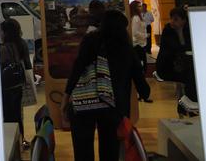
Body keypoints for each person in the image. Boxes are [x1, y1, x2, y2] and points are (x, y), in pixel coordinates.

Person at [61, 10, 150, 161]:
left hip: (85, 103)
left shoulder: (90, 40)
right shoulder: (125, 48)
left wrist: (66, 97)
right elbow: (143, 87)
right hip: (113, 108)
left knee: (82, 151)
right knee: (110, 152)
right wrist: (144, 91)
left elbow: (77, 68)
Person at [155, 7, 199, 114]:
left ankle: (187, 104)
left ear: (184, 20)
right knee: (191, 76)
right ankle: (188, 103)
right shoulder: (168, 30)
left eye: (176, 19)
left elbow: (189, 46)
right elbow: (176, 48)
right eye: (171, 19)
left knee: (194, 74)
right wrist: (179, 33)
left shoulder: (188, 29)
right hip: (167, 67)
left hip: (182, 64)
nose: (172, 22)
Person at [0, 19, 28, 148]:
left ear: (6, 32)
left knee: (8, 115)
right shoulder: (22, 43)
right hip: (18, 84)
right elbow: (27, 63)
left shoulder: (4, 48)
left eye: (1, 31)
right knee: (17, 114)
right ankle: (21, 139)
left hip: (6, 87)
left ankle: (12, 144)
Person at [129, 2, 150, 103]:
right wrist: (145, 35)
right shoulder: (136, 18)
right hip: (138, 46)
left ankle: (142, 94)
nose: (141, 7)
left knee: (142, 69)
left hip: (140, 45)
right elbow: (134, 32)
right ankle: (142, 94)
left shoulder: (138, 17)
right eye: (139, 6)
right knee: (141, 69)